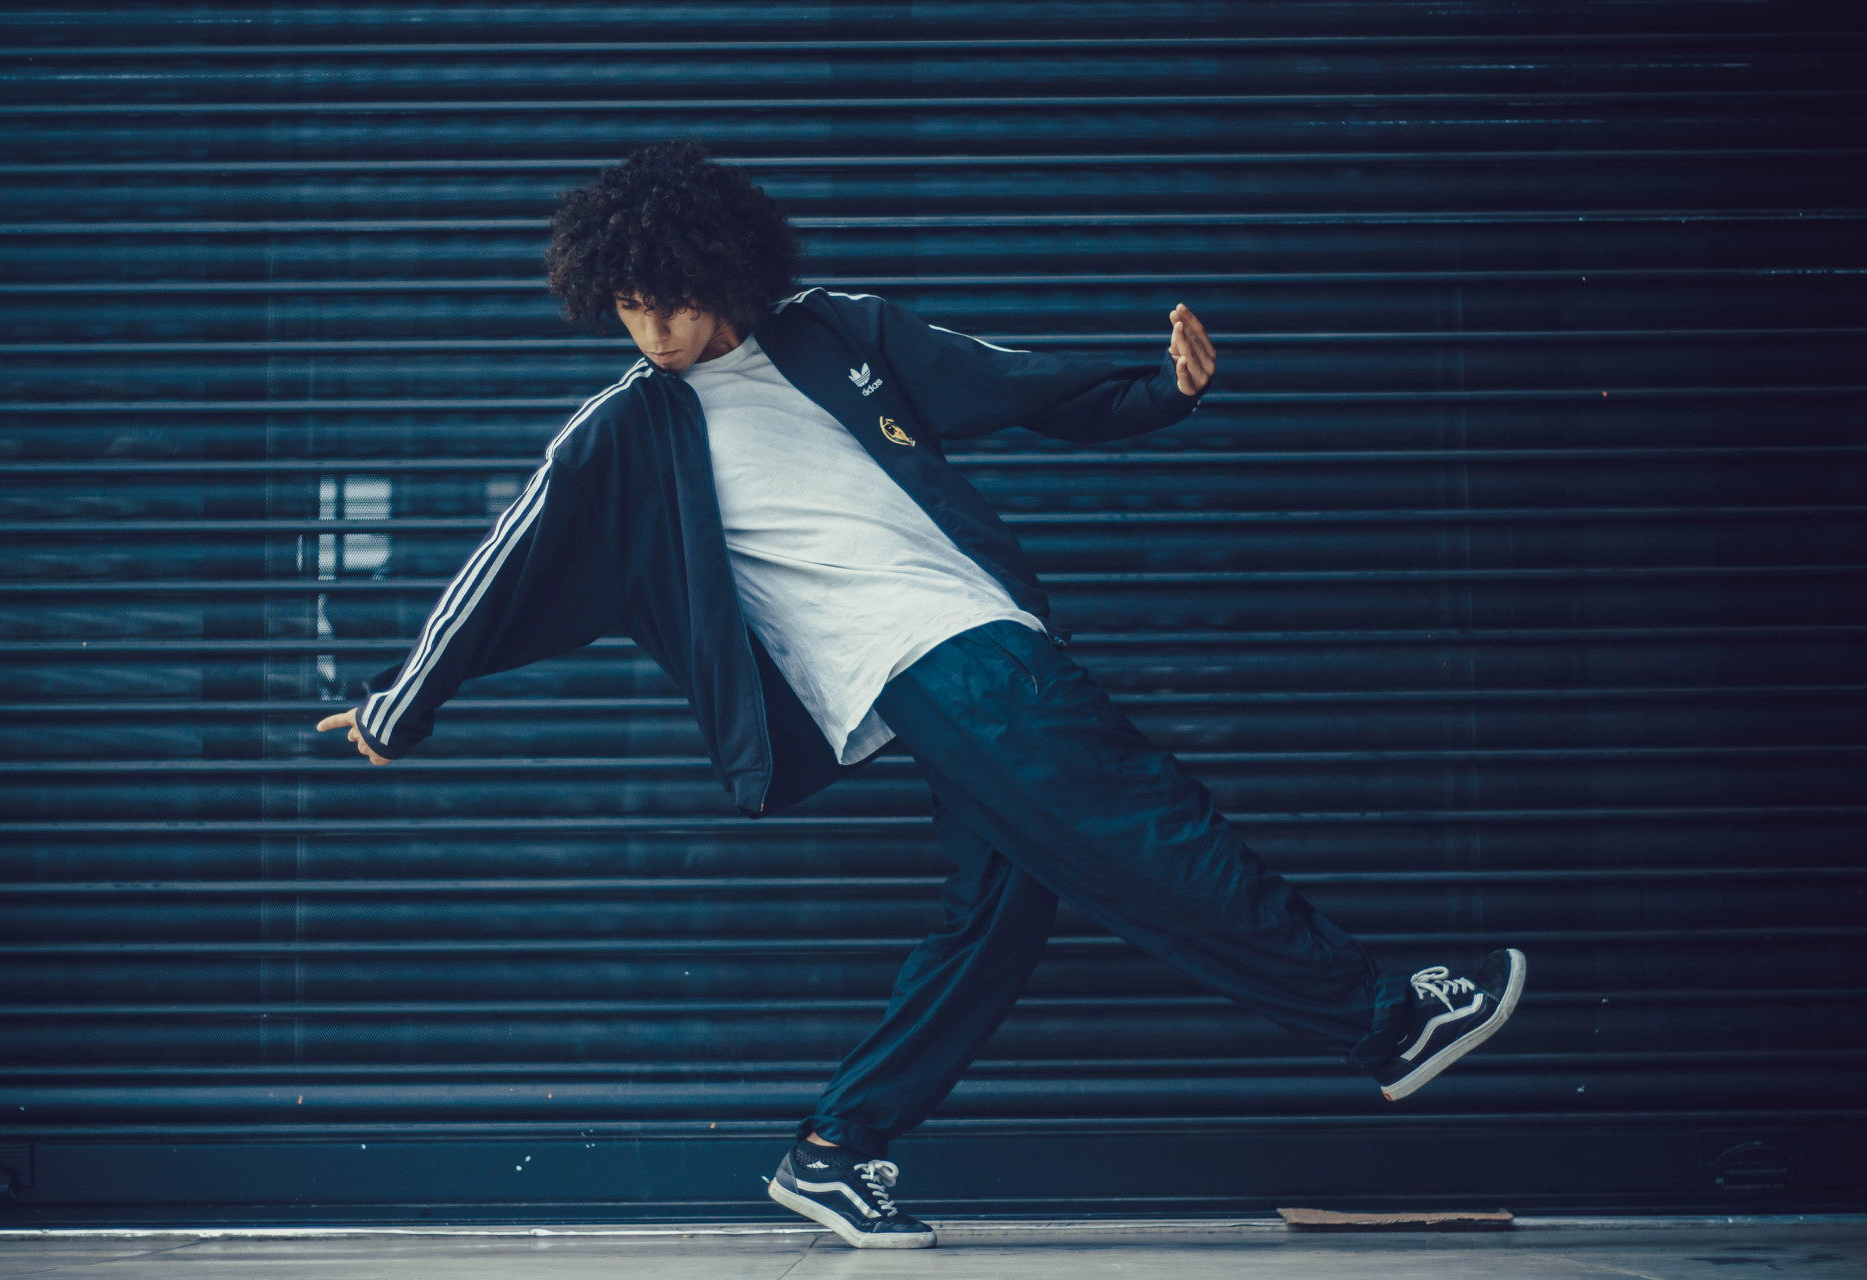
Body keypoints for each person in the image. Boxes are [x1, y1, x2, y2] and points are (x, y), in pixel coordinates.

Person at [317, 140, 1525, 1250]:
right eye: (629, 306)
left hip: (976, 638)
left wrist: (1162, 391)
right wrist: (397, 705)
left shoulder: (831, 329)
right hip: (926, 660)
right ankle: (1385, 1017)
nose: (654, 328)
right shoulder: (626, 429)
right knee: (1149, 823)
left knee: (999, 915)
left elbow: (1012, 382)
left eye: (672, 297)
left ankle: (836, 1146)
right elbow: (505, 556)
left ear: (724, 270)